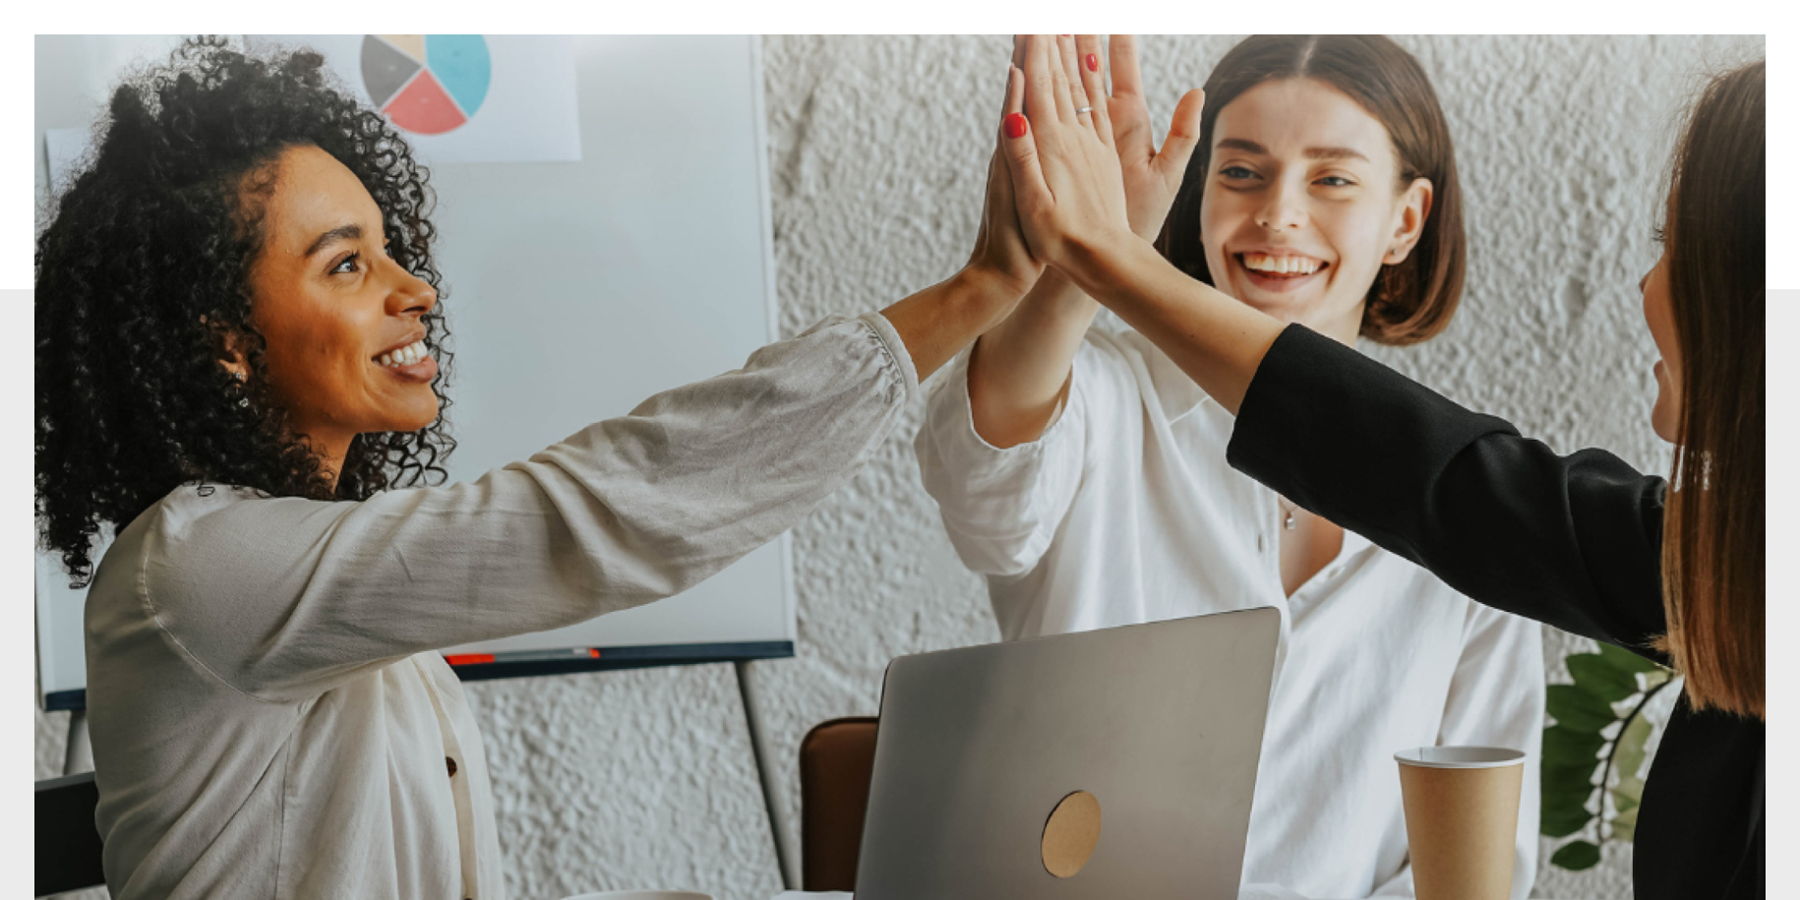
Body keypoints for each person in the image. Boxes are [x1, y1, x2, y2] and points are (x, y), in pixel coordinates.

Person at [33, 37, 1041, 898]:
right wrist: (981, 287)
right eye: (346, 264)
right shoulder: (200, 566)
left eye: (390, 248)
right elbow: (592, 513)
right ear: (225, 341)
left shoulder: (311, 576)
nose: (415, 289)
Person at [999, 33, 1763, 900]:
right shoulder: (1728, 565)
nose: (1648, 284)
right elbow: (1447, 483)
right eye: (1241, 170)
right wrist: (1093, 263)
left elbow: (1446, 485)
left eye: (1676, 246)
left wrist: (1110, 258)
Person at [916, 35, 1539, 897]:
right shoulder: (1100, 402)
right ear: (1198, 194)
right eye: (1241, 172)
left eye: (1332, 179)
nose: (1278, 214)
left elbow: (1480, 860)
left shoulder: (1468, 492)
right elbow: (983, 493)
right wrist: (1088, 254)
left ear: (1405, 221)